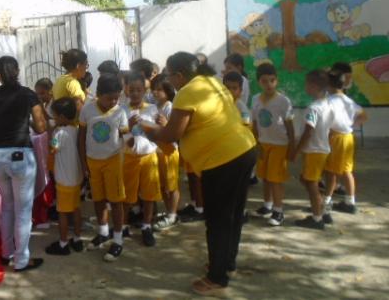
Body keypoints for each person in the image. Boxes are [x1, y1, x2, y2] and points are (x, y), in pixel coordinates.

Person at [144, 52, 256, 296]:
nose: (169, 80)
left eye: (170, 75)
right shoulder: (212, 82)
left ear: (179, 75)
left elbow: (172, 134)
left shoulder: (188, 91)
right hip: (244, 150)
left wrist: (148, 129)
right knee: (233, 214)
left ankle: (217, 277)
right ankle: (226, 263)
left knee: (217, 219)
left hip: (223, 160)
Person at [0, 56, 46, 272]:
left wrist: (0, 128)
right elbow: (41, 127)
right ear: (17, 70)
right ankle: (21, 260)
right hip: (21, 156)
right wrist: (25, 123)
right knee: (23, 210)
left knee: (7, 206)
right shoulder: (28, 94)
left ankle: (6, 253)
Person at [79, 74, 128, 262]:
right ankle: (102, 232)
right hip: (92, 161)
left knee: (116, 201)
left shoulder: (120, 112)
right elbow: (81, 137)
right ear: (98, 94)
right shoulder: (87, 110)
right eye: (109, 98)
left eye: (117, 97)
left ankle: (117, 240)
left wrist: (134, 141)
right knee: (98, 199)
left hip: (113, 161)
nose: (113, 101)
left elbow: (126, 137)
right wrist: (83, 163)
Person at [289, 70, 335, 230]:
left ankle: (317, 219)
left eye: (306, 83)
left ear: (314, 86)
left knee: (311, 184)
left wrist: (295, 151)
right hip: (322, 149)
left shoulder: (313, 108)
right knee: (307, 180)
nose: (305, 86)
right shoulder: (327, 104)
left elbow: (308, 132)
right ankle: (322, 210)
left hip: (314, 150)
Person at [251, 63, 295, 226]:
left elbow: (290, 126)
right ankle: (267, 206)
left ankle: (278, 211)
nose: (268, 84)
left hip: (279, 145)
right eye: (264, 81)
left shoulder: (283, 101)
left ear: (276, 81)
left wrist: (292, 146)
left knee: (275, 179)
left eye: (272, 80)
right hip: (263, 144)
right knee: (265, 178)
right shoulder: (255, 99)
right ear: (258, 82)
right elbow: (254, 123)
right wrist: (256, 143)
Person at [121, 72, 161, 247]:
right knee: (127, 195)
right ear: (126, 90)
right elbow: (118, 133)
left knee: (149, 193)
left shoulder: (152, 109)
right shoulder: (122, 109)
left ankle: (146, 226)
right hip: (129, 157)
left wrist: (151, 124)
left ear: (145, 91)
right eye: (132, 90)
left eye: (139, 90)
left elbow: (158, 131)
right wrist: (128, 126)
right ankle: (122, 226)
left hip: (148, 157)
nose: (135, 93)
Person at [322, 69, 367, 215]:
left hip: (335, 138)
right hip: (348, 137)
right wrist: (351, 126)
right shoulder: (348, 100)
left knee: (331, 172)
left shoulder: (329, 101)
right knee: (347, 170)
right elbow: (363, 116)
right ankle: (350, 202)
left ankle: (326, 202)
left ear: (328, 84)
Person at [45, 98, 84, 255]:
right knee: (76, 209)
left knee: (62, 213)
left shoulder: (59, 133)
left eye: (54, 115)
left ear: (61, 116)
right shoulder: (75, 130)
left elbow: (52, 149)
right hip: (76, 179)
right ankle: (77, 238)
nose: (54, 118)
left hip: (64, 181)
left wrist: (49, 132)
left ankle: (63, 243)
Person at [150, 74, 181, 231]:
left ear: (168, 91)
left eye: (159, 89)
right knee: (163, 185)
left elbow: (175, 129)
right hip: (158, 151)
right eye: (154, 89)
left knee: (172, 185)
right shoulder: (155, 106)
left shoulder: (170, 106)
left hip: (169, 151)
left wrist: (166, 124)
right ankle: (169, 212)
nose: (155, 92)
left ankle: (172, 214)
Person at [53, 49, 88, 117]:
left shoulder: (59, 80)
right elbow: (80, 108)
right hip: (74, 126)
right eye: (86, 64)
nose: (86, 68)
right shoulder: (73, 83)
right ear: (78, 66)